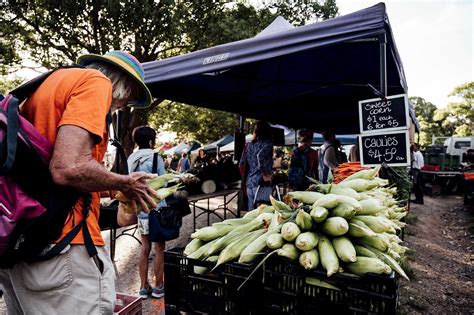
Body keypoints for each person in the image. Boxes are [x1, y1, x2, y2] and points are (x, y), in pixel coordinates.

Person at [0, 51, 159, 314]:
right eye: (127, 99)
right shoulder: (96, 83)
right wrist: (125, 182)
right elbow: (67, 169)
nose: (121, 106)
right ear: (124, 85)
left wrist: (116, 186)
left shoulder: (43, 87)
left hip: (24, 242)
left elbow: (44, 169)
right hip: (63, 246)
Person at [125, 126, 167, 299]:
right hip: (156, 209)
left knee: (144, 247)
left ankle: (143, 287)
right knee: (159, 248)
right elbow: (163, 184)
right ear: (151, 140)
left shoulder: (131, 158)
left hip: (141, 209)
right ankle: (158, 286)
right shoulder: (156, 157)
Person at [239, 121, 274, 210]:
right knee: (264, 213)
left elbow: (241, 164)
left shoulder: (248, 145)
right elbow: (260, 157)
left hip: (249, 183)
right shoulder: (268, 144)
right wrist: (265, 174)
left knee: (252, 214)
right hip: (262, 184)